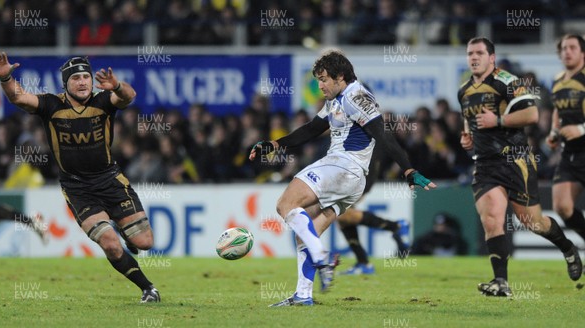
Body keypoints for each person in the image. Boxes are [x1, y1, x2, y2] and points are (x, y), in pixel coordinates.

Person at [249, 50, 436, 306]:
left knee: (286, 204)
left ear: (340, 76)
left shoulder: (356, 96)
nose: (320, 85)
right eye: (318, 80)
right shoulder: (337, 98)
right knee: (306, 232)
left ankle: (322, 257)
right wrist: (275, 144)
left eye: (324, 79)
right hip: (350, 179)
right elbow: (313, 128)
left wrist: (408, 170)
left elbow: (383, 134)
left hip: (343, 167)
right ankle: (303, 295)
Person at [0, 51, 160, 303]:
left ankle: (127, 234)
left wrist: (118, 86)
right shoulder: (51, 105)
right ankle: (148, 288)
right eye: (76, 78)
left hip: (111, 180)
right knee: (110, 244)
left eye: (86, 77)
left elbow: (129, 96)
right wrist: (6, 79)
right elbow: (19, 98)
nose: (82, 82)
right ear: (65, 83)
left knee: (144, 242)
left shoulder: (103, 102)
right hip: (78, 189)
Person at [458, 37, 582, 297]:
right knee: (492, 217)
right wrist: (466, 138)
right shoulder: (464, 90)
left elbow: (532, 115)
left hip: (515, 161)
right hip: (485, 164)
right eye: (470, 53)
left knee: (532, 222)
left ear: (492, 57)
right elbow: (469, 121)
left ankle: (567, 247)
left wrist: (498, 119)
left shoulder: (508, 82)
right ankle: (501, 282)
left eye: (479, 52)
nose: (474, 57)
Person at [338, 140, 411, 275]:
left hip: (362, 170)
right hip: (356, 168)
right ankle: (363, 263)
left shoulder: (366, 123)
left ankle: (396, 226)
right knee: (342, 216)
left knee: (342, 213)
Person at [546, 34, 585, 247]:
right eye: (564, 48)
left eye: (572, 47)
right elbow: (557, 110)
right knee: (562, 207)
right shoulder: (558, 80)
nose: (567, 52)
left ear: (583, 53)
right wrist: (554, 131)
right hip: (570, 153)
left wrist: (580, 128)